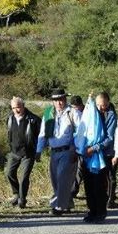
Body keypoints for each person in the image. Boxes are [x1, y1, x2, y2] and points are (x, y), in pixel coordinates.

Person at [36, 88, 82, 216]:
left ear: (65, 99)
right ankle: (66, 204)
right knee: (56, 179)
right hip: (54, 151)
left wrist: (77, 150)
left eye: (61, 99)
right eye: (56, 100)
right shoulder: (48, 114)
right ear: (53, 101)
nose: (59, 102)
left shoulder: (73, 113)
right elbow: (42, 133)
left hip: (68, 150)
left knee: (63, 178)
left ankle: (58, 206)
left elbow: (80, 133)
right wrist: (39, 150)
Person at [75, 92, 118, 223]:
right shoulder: (91, 113)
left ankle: (100, 212)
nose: (100, 108)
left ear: (108, 103)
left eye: (103, 105)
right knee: (88, 184)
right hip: (87, 155)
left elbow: (109, 139)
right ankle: (92, 211)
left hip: (102, 155)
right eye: (98, 105)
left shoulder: (111, 116)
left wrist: (93, 148)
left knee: (99, 185)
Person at [5, 96, 41, 209]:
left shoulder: (34, 119)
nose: (16, 110)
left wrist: (38, 151)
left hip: (28, 153)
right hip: (14, 152)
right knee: (9, 173)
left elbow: (41, 137)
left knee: (24, 177)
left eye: (18, 107)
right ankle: (17, 194)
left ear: (23, 106)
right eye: (14, 107)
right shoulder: (10, 118)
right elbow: (9, 133)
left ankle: (22, 199)